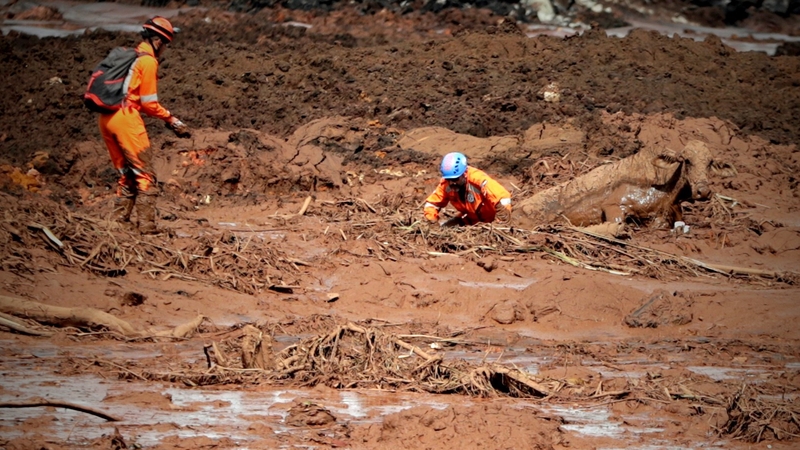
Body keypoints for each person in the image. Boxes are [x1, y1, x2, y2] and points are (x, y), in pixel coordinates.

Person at [99, 16, 190, 234]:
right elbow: (149, 104)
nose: (165, 49)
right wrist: (171, 119)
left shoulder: (130, 57)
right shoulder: (148, 61)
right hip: (125, 118)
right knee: (145, 175)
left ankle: (118, 225)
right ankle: (148, 228)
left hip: (105, 118)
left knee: (126, 173)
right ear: (158, 41)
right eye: (166, 44)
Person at [423, 152, 512, 227]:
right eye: (449, 180)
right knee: (445, 227)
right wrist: (432, 222)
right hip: (470, 219)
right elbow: (432, 204)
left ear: (464, 173)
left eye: (455, 179)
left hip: (491, 220)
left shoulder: (478, 179)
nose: (451, 183)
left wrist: (500, 224)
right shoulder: (446, 183)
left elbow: (503, 198)